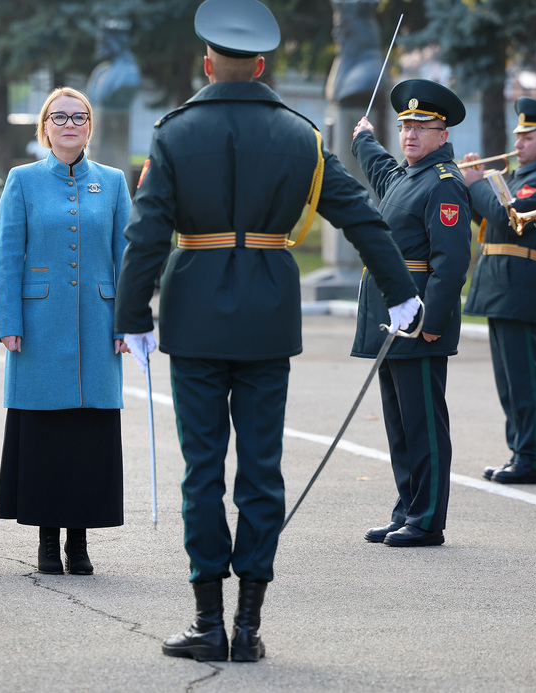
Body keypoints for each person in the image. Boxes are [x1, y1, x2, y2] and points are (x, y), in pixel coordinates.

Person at [114, 0, 419, 663]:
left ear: (207, 63)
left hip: (194, 317)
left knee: (203, 472)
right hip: (269, 316)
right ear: (259, 65)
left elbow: (146, 235)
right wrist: (401, 290)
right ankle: (248, 625)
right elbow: (361, 216)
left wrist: (133, 316)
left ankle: (207, 621)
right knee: (261, 469)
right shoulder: (300, 135)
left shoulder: (172, 133)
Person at [0, 87, 131, 576]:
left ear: (90, 127)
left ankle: (80, 542)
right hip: (38, 327)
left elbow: (126, 257)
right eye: (59, 116)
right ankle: (47, 542)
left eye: (79, 116)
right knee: (45, 434)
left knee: (88, 436)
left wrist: (128, 319)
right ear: (44, 127)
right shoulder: (23, 180)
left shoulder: (113, 183)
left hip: (99, 325)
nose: (69, 123)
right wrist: (9, 321)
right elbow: (7, 253)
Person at [351, 79, 472, 548]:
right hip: (391, 320)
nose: (410, 134)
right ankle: (406, 508)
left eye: (422, 126)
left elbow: (451, 264)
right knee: (400, 424)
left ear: (443, 135)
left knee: (422, 423)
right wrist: (364, 139)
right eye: (404, 125)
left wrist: (431, 325)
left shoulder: (444, 185)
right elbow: (382, 171)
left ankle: (427, 519)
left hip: (417, 321)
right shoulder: (408, 177)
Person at [460, 98, 536, 485]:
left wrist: (478, 184)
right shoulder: (521, 177)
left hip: (519, 283)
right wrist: (476, 186)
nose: (519, 143)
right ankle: (519, 452)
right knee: (508, 380)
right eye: (519, 136)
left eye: (529, 137)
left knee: (522, 377)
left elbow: (510, 220)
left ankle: (530, 457)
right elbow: (490, 218)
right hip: (501, 282)